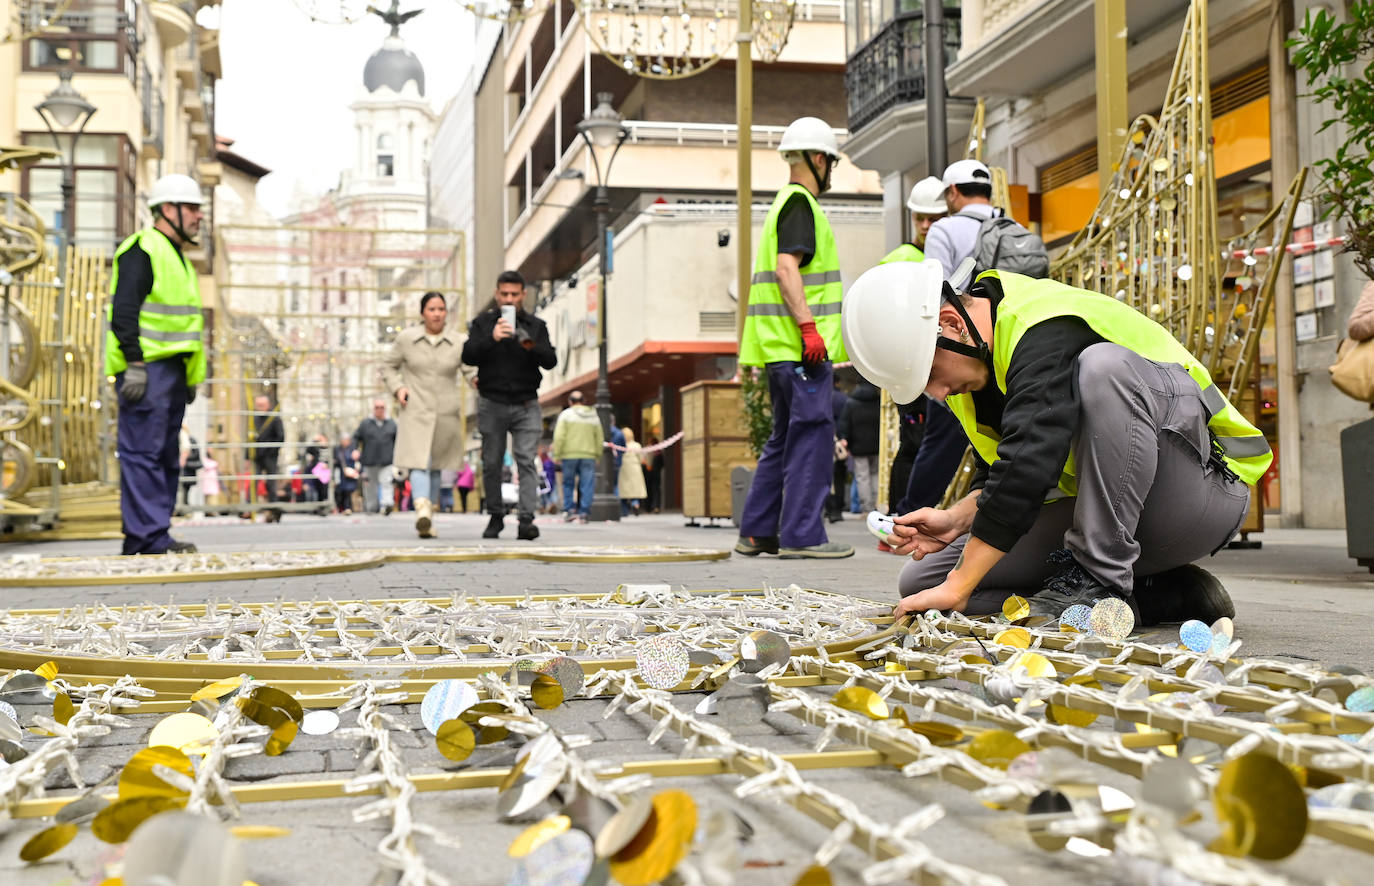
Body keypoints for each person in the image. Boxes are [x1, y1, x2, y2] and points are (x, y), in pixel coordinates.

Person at [842, 260, 1270, 626]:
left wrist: (962, 583)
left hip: (1203, 491)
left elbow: (1030, 462)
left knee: (1104, 367)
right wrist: (956, 519)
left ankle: (1099, 583)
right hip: (1121, 515)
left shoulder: (1041, 324)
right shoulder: (970, 368)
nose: (935, 393)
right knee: (922, 584)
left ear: (952, 325)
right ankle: (1159, 594)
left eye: (930, 374)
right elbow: (1005, 471)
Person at [734, 116, 854, 559]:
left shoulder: (783, 202)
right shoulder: (801, 204)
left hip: (778, 349)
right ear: (819, 159)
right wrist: (808, 327)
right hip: (802, 351)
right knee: (812, 437)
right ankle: (803, 536)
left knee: (783, 438)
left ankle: (756, 532)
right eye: (831, 164)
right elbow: (787, 269)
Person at [106, 174, 207, 555]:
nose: (199, 216)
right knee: (143, 454)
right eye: (193, 208)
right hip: (147, 371)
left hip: (171, 373)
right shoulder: (142, 249)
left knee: (164, 454)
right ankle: (146, 537)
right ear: (169, 209)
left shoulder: (177, 257)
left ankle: (154, 533)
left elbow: (184, 327)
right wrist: (134, 362)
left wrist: (191, 378)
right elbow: (124, 312)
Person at [461, 270, 557, 540]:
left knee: (526, 461)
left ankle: (526, 520)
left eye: (515, 294)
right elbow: (468, 356)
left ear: (523, 295)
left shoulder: (537, 326)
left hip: (527, 404)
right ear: (496, 294)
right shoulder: (482, 324)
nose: (509, 299)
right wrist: (492, 338)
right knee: (491, 463)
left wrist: (528, 342)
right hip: (492, 403)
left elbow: (550, 360)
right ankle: (495, 516)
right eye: (504, 294)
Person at [381, 291, 467, 539]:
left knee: (438, 464)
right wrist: (399, 388)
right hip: (416, 408)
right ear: (422, 313)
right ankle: (422, 510)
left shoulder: (459, 341)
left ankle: (428, 515)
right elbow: (388, 366)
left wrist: (480, 381)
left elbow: (470, 370)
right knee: (419, 461)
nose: (437, 314)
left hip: (446, 411)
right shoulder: (407, 339)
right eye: (432, 309)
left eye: (441, 309)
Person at [552, 390, 603, 523]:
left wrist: (558, 454)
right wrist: (598, 454)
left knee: (568, 483)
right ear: (584, 401)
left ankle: (568, 511)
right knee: (587, 484)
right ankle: (584, 513)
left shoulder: (565, 415)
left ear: (570, 402)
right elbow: (599, 437)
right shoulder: (593, 416)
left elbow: (559, 437)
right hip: (589, 455)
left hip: (569, 455)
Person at [837, 380, 881, 513]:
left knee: (862, 476)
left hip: (858, 446)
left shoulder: (851, 403)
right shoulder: (878, 402)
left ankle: (867, 507)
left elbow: (844, 423)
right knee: (875, 474)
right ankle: (876, 504)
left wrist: (845, 438)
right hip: (876, 445)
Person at [880, 176, 946, 264]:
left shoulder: (949, 257)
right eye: (920, 219)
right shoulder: (897, 260)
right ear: (913, 217)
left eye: (932, 220)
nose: (925, 226)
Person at [354, 398, 398, 514]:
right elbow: (356, 437)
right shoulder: (365, 424)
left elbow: (398, 442)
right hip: (369, 460)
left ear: (385, 409)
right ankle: (371, 507)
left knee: (386, 482)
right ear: (373, 409)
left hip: (387, 461)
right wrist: (355, 450)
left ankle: (386, 505)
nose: (379, 410)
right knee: (370, 486)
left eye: (382, 407)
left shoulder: (392, 424)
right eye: (377, 407)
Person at [248, 394, 284, 522]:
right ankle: (249, 508)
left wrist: (271, 450)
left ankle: (273, 509)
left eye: (262, 405)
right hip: (257, 455)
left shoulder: (274, 418)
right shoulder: (254, 418)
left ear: (268, 405)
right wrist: (249, 454)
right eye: (258, 405)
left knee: (271, 483)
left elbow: (280, 437)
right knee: (253, 481)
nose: (260, 408)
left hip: (270, 456)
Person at [617, 428, 648, 516]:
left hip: (623, 468)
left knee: (623, 490)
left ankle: (624, 511)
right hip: (635, 468)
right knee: (634, 489)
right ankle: (635, 504)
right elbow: (641, 458)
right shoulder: (637, 445)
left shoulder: (620, 445)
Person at [334, 434, 361, 514]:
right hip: (341, 473)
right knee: (340, 491)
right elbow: (335, 460)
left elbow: (358, 461)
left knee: (349, 491)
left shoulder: (353, 449)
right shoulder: (337, 449)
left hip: (351, 473)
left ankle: (348, 508)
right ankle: (342, 508)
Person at [644, 437, 665, 513]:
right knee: (656, 490)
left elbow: (643, 461)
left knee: (648, 491)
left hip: (648, 474)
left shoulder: (647, 449)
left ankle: (648, 508)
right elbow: (662, 464)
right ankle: (656, 507)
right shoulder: (659, 451)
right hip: (656, 474)